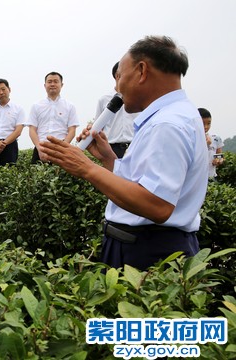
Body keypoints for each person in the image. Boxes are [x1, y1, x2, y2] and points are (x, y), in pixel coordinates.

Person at [39, 35, 208, 270]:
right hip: (145, 244)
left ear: (142, 71)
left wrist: (87, 168)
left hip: (149, 251)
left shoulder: (168, 124)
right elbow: (144, 183)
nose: (117, 87)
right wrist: (109, 160)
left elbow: (157, 205)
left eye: (120, 77)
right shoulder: (173, 115)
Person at [28, 72, 79, 163]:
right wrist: (39, 149)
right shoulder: (36, 106)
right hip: (41, 147)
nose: (52, 84)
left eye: (56, 81)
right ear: (45, 85)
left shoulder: (70, 106)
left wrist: (62, 148)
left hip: (62, 148)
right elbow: (32, 130)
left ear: (61, 84)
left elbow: (72, 130)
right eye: (49, 82)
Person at [94, 63, 137, 158]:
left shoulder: (138, 98)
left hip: (135, 147)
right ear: (117, 75)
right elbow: (97, 127)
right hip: (112, 148)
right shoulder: (104, 99)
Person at [199, 107, 224, 179]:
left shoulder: (216, 138)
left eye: (208, 123)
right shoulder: (192, 139)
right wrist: (205, 144)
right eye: (202, 124)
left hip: (211, 177)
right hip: (198, 179)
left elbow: (219, 155)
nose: (206, 127)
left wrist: (218, 160)